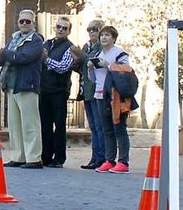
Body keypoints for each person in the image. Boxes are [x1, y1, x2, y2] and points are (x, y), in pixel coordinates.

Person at [0, 9, 44, 169]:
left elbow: (23, 58)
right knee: (14, 124)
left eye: (28, 21)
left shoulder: (36, 41)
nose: (24, 24)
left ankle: (34, 158)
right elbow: (5, 60)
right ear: (18, 22)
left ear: (33, 23)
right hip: (11, 86)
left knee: (30, 124)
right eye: (22, 21)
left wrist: (4, 53)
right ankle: (18, 156)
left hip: (27, 85)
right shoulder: (13, 39)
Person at [91, 25, 132, 174]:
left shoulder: (119, 53)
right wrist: (91, 67)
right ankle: (109, 160)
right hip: (100, 94)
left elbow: (125, 71)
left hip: (116, 96)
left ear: (114, 38)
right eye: (102, 35)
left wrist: (108, 65)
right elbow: (93, 78)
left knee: (119, 128)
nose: (103, 38)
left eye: (107, 35)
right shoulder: (99, 53)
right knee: (106, 129)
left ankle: (123, 161)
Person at [39, 16, 79, 168]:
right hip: (44, 90)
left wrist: (47, 59)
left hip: (59, 91)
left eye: (64, 28)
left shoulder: (70, 47)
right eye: (59, 27)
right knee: (45, 125)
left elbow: (63, 67)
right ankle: (46, 156)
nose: (61, 29)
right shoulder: (47, 44)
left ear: (69, 31)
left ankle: (59, 158)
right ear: (54, 28)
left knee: (60, 126)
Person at [76, 20, 107, 170]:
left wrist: (80, 55)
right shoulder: (86, 46)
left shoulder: (101, 47)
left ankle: (102, 158)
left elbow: (93, 61)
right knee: (93, 126)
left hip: (97, 90)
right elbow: (81, 65)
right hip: (86, 90)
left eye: (95, 29)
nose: (92, 32)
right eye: (89, 29)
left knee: (100, 126)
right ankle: (95, 157)